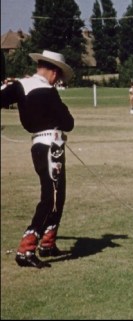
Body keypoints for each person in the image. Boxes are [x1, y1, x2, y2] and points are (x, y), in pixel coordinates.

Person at [1, 50, 75, 268]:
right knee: (51, 198)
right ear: (53, 72)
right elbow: (69, 122)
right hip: (51, 146)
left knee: (56, 195)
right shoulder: (49, 91)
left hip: (39, 146)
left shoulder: (19, 85)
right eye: (58, 76)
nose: (58, 80)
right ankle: (26, 248)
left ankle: (48, 243)